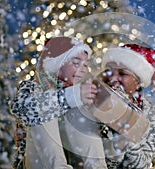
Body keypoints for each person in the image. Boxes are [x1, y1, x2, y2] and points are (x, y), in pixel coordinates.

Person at [10, 36, 108, 169]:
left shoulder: (85, 96)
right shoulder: (35, 87)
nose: (83, 69)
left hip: (76, 161)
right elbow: (21, 109)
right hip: (40, 163)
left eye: (85, 65)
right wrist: (71, 97)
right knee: (42, 108)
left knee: (81, 111)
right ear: (57, 64)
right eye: (75, 63)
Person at [98, 44, 155, 168]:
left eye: (123, 74)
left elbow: (143, 165)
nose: (113, 77)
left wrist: (127, 137)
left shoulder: (153, 116)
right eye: (109, 70)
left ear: (138, 83)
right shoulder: (89, 97)